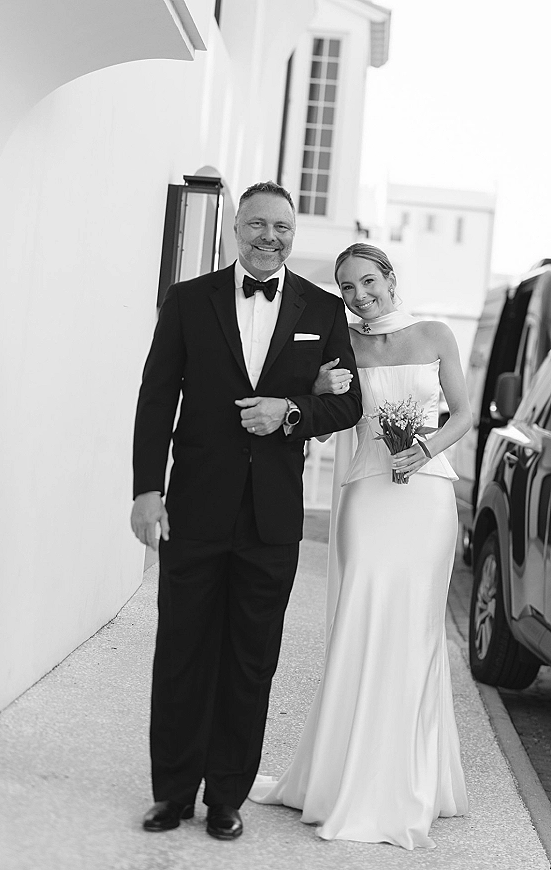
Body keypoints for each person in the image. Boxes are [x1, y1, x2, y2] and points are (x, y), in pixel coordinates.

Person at [130, 181, 362, 841]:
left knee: (251, 661)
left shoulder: (323, 309)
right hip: (194, 507)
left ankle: (227, 797)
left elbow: (347, 404)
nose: (270, 237)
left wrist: (291, 412)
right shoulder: (188, 300)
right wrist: (147, 490)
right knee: (182, 652)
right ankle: (172, 794)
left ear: (293, 235)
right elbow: (156, 398)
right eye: (259, 224)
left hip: (271, 518)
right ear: (237, 228)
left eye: (282, 228)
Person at [249, 243, 472, 849]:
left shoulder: (435, 334)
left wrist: (423, 450)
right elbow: (327, 419)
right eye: (347, 287)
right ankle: (342, 777)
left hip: (427, 496)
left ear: (390, 278)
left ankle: (408, 781)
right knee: (359, 621)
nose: (359, 295)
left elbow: (462, 414)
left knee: (415, 629)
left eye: (368, 281)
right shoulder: (342, 341)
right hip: (367, 497)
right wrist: (316, 384)